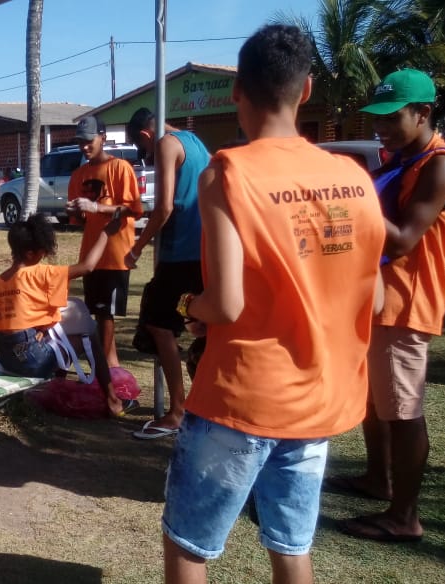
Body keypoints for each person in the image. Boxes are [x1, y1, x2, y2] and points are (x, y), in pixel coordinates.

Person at [161, 25, 385, 583]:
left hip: (242, 398)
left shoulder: (228, 172)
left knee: (189, 547)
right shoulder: (353, 177)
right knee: (291, 546)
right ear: (306, 90)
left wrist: (189, 305)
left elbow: (225, 305)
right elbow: (376, 295)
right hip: (318, 401)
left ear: (238, 89)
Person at [332, 69, 445, 543]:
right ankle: (378, 479)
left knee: (403, 410)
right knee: (376, 402)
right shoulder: (403, 160)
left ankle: (404, 516)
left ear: (423, 113)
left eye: (392, 118)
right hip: (377, 299)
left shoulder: (440, 165)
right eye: (378, 118)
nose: (381, 128)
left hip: (406, 302)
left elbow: (404, 238)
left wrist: (350, 192)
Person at [123, 108, 210, 440]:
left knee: (159, 326)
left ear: (146, 136)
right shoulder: (196, 142)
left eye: (143, 149)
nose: (147, 155)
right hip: (204, 251)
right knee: (201, 328)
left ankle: (177, 411)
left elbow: (164, 207)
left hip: (181, 252)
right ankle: (201, 406)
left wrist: (137, 248)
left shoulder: (166, 144)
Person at [0, 212, 126, 416]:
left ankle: (58, 387)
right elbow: (87, 266)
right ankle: (113, 400)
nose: (43, 256)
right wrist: (106, 233)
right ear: (30, 253)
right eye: (42, 252)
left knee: (58, 333)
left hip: (6, 358)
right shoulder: (41, 273)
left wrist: (30, 319)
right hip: (32, 361)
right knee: (89, 339)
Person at [65, 115, 141, 369]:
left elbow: (132, 209)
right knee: (98, 313)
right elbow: (80, 220)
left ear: (103, 138)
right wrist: (75, 211)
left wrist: (97, 207)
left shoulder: (120, 167)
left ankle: (108, 368)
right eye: (80, 142)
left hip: (115, 253)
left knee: (106, 314)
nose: (84, 146)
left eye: (89, 141)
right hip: (91, 256)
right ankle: (109, 365)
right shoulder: (79, 174)